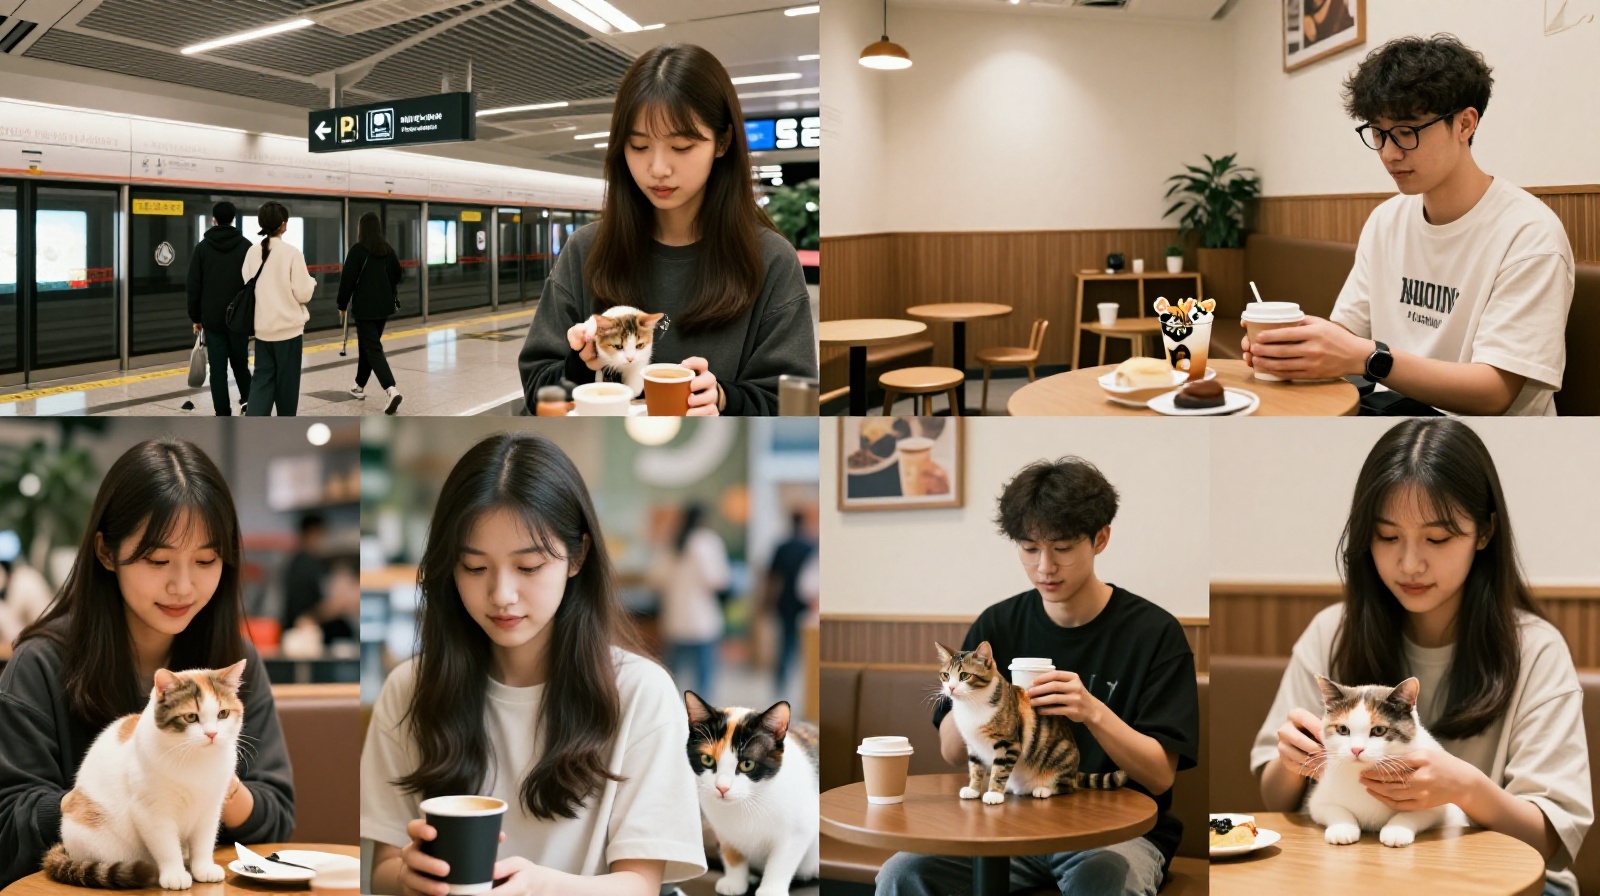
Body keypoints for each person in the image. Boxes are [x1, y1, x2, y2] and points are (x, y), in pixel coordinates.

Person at [1252, 418, 1591, 896]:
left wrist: (1465, 788)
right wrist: (1294, 760)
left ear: (1484, 532)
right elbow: (1272, 798)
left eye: (1436, 538)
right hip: (1359, 879)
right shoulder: (1333, 632)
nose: (1410, 564)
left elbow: (1550, 841)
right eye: (1388, 537)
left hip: (1504, 883)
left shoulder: (1535, 649)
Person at [362, 433, 705, 896]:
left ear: (577, 556)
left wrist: (540, 887)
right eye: (474, 567)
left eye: (528, 567)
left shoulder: (641, 693)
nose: (501, 594)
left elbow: (640, 886)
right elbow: (381, 873)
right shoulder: (410, 689)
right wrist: (407, 875)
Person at [878, 458, 1200, 896]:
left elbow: (1161, 776)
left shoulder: (1155, 634)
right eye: (1030, 549)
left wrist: (1092, 711)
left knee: (1104, 877)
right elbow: (953, 752)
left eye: (1063, 548)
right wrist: (984, 697)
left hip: (1115, 833)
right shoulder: (996, 627)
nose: (1045, 566)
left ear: (1100, 538)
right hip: (1007, 823)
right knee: (903, 873)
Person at [0, 439, 296, 887]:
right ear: (105, 552)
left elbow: (276, 815)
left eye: (205, 559)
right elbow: (8, 826)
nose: (182, 585)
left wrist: (216, 784)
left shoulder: (230, 665)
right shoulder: (41, 664)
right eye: (158, 560)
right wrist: (110, 794)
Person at [1243, 35, 1574, 416]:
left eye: (1406, 132)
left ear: (1465, 123)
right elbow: (1348, 333)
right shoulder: (1387, 220)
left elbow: (1494, 392)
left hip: (1480, 445)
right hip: (1394, 419)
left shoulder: (1529, 234)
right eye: (1379, 133)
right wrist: (1298, 347)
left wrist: (1371, 359)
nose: (1388, 153)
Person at [518, 43, 818, 416]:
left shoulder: (770, 260)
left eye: (681, 145)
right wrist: (580, 366)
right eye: (639, 145)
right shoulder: (586, 250)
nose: (658, 168)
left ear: (722, 142)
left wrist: (725, 399)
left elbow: (797, 406)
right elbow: (539, 396)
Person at [242, 200, 316, 416]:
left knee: (261, 382)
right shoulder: (291, 253)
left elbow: (247, 283)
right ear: (283, 224)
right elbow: (303, 293)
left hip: (263, 330)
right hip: (288, 332)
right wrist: (311, 282)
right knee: (287, 385)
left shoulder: (252, 253)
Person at [652, 503, 730, 699]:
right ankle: (702, 720)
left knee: (671, 675)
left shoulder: (673, 542)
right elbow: (717, 580)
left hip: (675, 619)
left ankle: (671, 714)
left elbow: (657, 578)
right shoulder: (707, 542)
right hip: (702, 621)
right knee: (703, 677)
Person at [186, 201, 253, 416]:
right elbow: (253, 285)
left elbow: (194, 286)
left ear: (213, 219)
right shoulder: (246, 247)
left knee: (218, 370)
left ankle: (222, 413)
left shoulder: (202, 248)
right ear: (233, 219)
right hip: (239, 319)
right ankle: (251, 403)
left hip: (213, 320)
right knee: (241, 364)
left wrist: (196, 317)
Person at [338, 212, 404, 415]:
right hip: (383, 307)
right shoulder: (387, 249)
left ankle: (391, 389)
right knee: (368, 346)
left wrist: (342, 304)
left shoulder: (358, 250)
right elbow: (397, 275)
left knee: (372, 348)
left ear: (362, 229)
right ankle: (359, 386)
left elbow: (347, 279)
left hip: (365, 308)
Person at [278, 514, 356, 645]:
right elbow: (313, 611)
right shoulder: (308, 564)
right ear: (312, 533)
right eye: (322, 534)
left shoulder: (293, 563)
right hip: (306, 633)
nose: (324, 540)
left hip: (297, 630)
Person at [764, 510, 817, 692]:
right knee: (803, 645)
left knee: (785, 643)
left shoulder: (782, 546)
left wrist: (768, 601)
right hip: (804, 603)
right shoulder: (810, 546)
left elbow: (773, 578)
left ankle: (781, 682)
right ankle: (801, 684)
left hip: (784, 600)